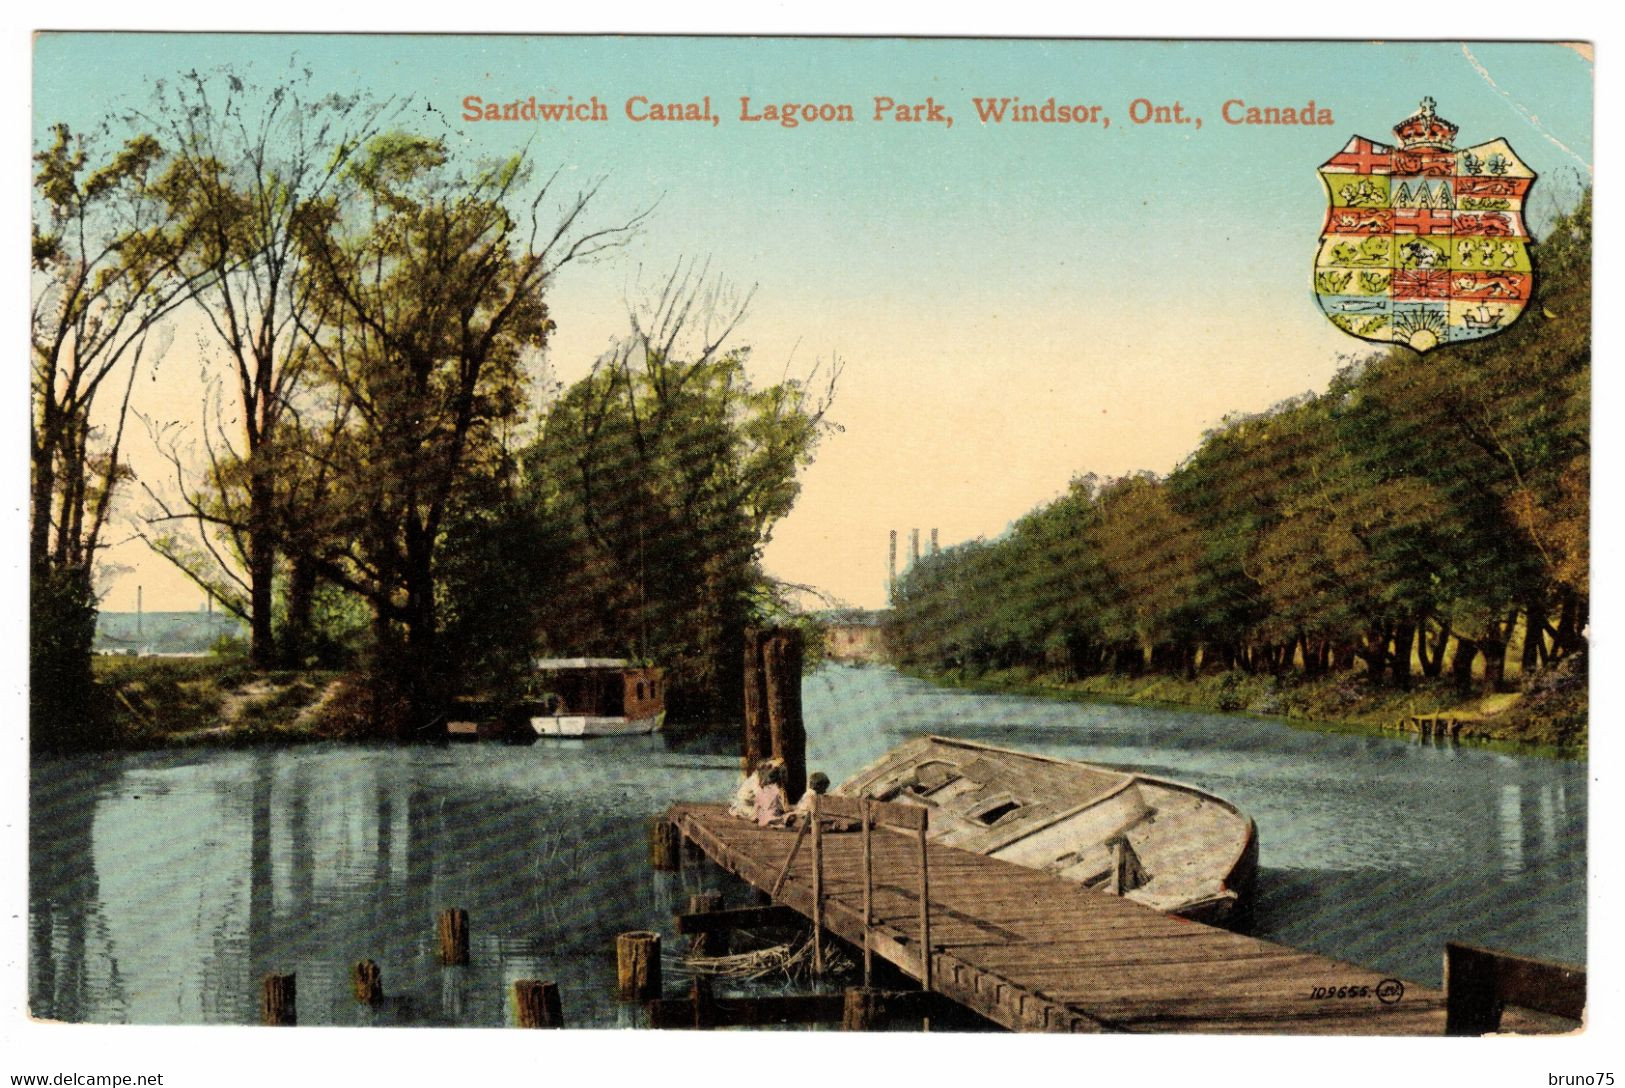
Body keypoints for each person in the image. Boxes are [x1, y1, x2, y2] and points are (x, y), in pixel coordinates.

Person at [754, 763, 789, 828]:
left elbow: (756, 806)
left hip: (762, 819)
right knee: (791, 816)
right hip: (774, 816)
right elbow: (786, 808)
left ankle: (769, 821)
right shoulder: (780, 790)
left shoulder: (761, 790)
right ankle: (773, 822)